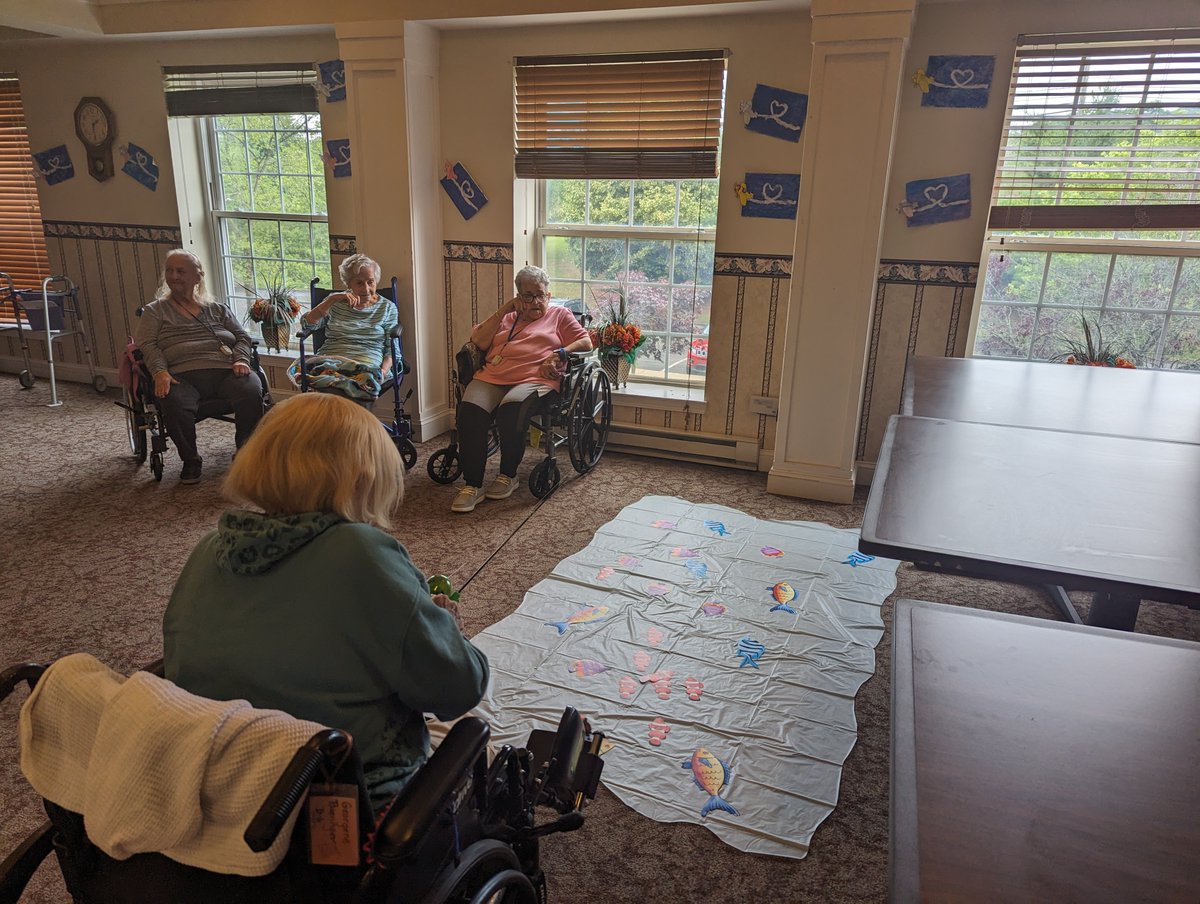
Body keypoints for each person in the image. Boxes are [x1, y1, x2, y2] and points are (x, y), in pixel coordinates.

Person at [162, 392, 490, 814]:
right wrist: (445, 628)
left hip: (221, 782)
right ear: (361, 480)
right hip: (337, 805)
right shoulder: (361, 553)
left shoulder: (208, 550)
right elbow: (457, 688)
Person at [451, 265, 592, 513]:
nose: (535, 301)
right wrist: (505, 309)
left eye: (540, 295)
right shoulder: (506, 317)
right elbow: (479, 342)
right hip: (493, 376)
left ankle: (508, 475)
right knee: (470, 413)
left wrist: (560, 352)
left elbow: (586, 342)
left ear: (548, 295)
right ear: (518, 297)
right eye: (527, 296)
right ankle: (472, 484)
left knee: (511, 412)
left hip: (534, 379)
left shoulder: (560, 315)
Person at [133, 249, 265, 484]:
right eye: (170, 271)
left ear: (198, 276)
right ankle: (191, 459)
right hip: (180, 374)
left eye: (181, 271)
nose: (174, 276)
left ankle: (245, 453)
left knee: (251, 389)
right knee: (173, 400)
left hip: (226, 371)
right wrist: (159, 371)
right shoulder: (154, 311)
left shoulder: (217, 309)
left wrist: (242, 359)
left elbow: (242, 337)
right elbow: (147, 344)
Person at [292, 253, 399, 402]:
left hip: (365, 362)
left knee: (348, 387)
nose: (366, 288)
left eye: (371, 282)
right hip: (331, 359)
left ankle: (345, 422)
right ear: (349, 284)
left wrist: (383, 370)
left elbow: (392, 346)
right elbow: (307, 323)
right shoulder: (335, 303)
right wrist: (331, 299)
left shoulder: (387, 308)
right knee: (328, 384)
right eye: (359, 283)